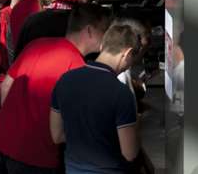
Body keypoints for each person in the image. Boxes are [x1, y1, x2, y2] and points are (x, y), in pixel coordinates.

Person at [0, 3, 111, 174]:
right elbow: (70, 129)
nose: (107, 38)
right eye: (104, 31)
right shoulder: (78, 68)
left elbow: (6, 86)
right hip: (36, 157)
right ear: (89, 31)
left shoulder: (36, 45)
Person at [49, 24, 143, 172]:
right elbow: (129, 153)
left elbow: (57, 136)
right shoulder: (121, 93)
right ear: (128, 53)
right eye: (132, 59)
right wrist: (136, 124)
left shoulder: (64, 80)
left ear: (102, 46)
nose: (129, 66)